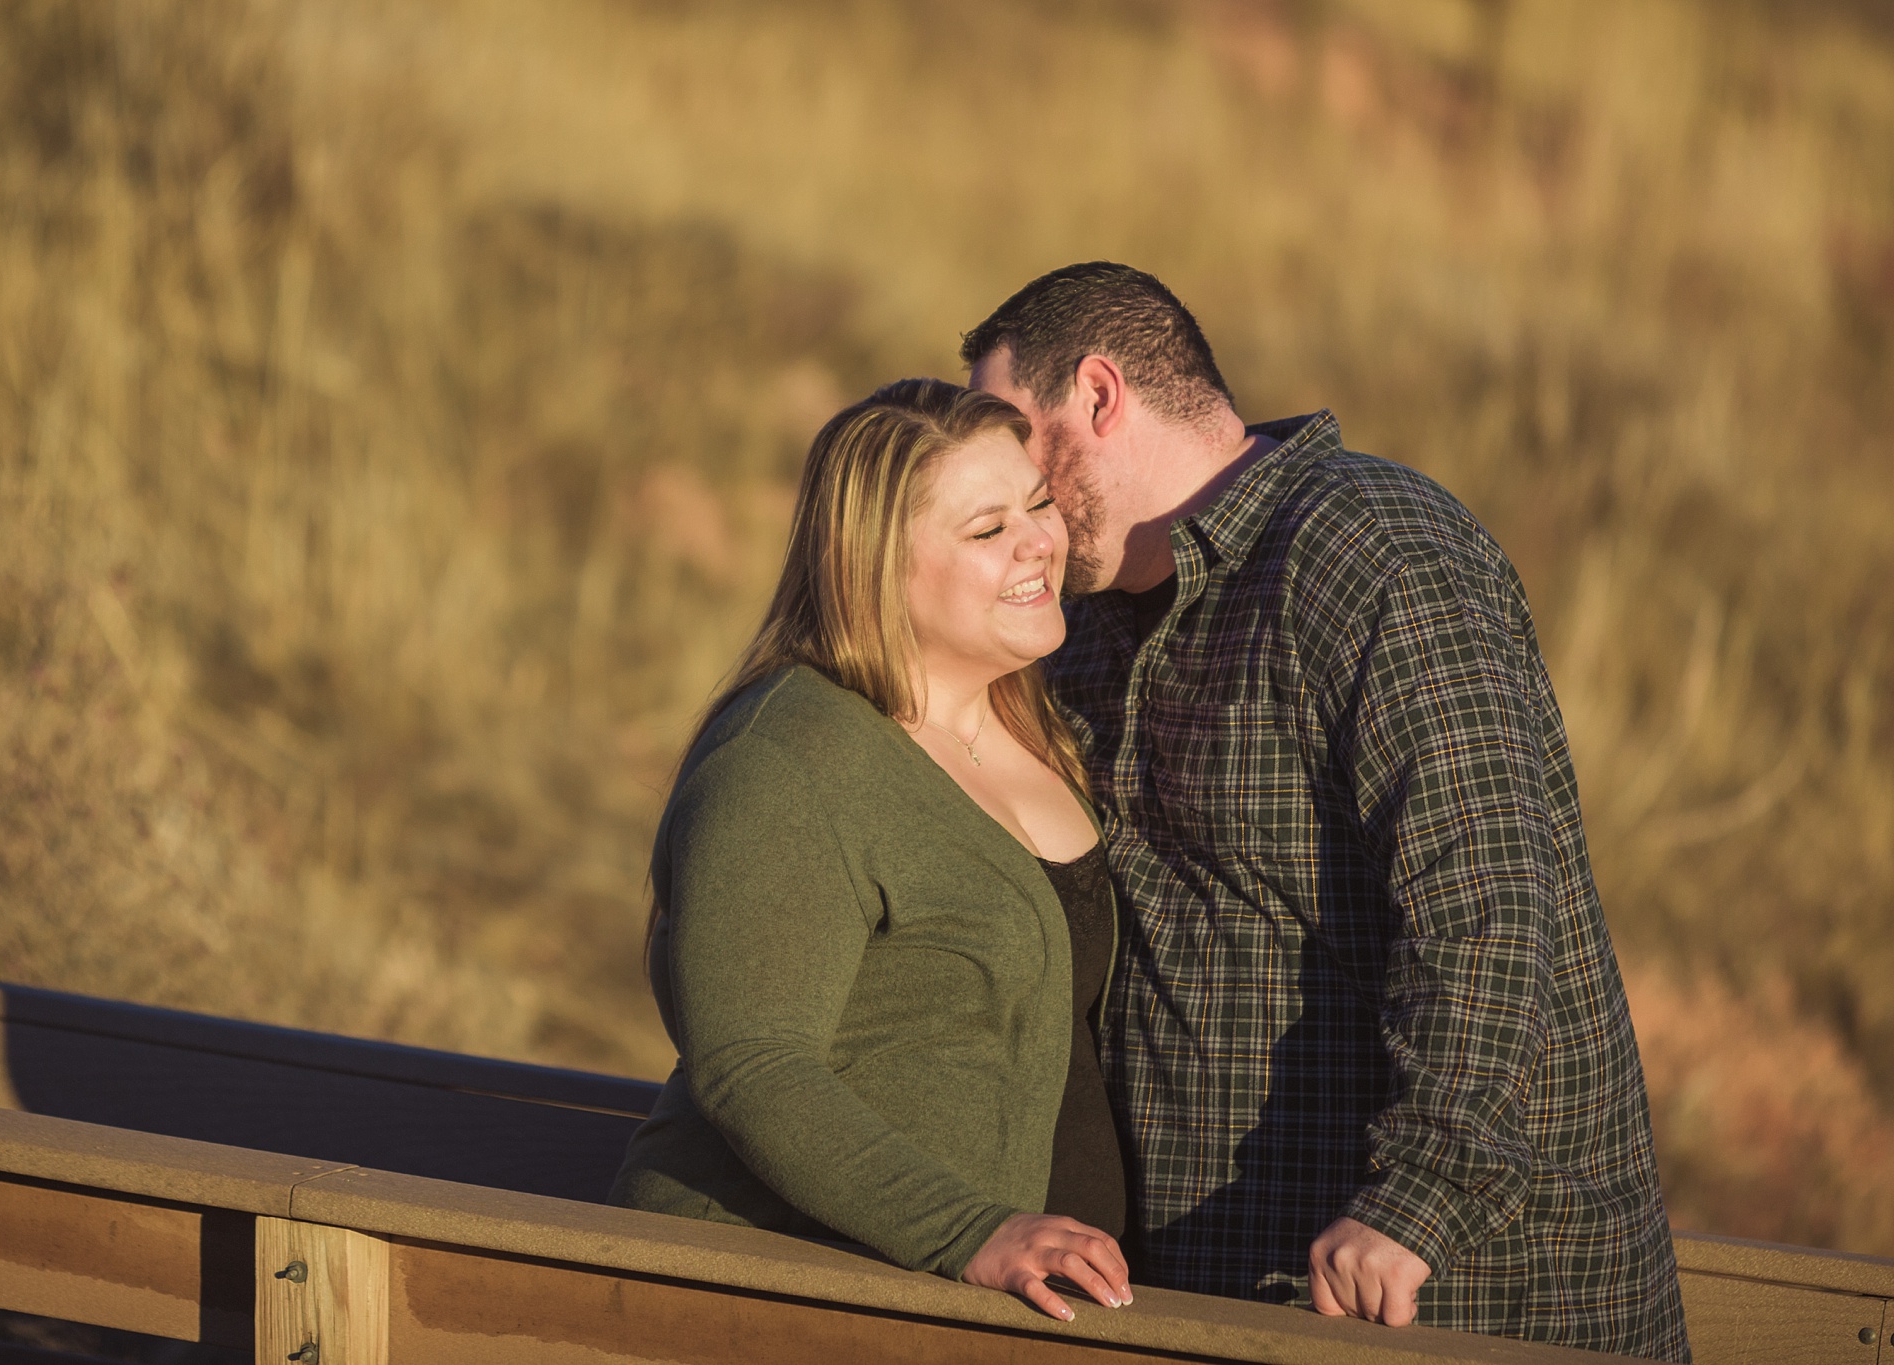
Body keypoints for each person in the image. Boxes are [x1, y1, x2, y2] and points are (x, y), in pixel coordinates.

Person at [961, 262, 1690, 1360]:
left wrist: (1418, 1197)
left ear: (1100, 396)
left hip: (1462, 1295)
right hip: (1214, 1288)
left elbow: (1485, 901)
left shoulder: (1369, 550)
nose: (1006, 487)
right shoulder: (1083, 633)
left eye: (1016, 437)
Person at [609, 378, 1135, 1323]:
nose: (1040, 543)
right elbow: (753, 1062)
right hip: (785, 1302)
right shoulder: (785, 757)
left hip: (994, 1313)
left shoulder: (1033, 718)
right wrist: (967, 1230)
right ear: (873, 567)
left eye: (1040, 504)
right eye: (987, 530)